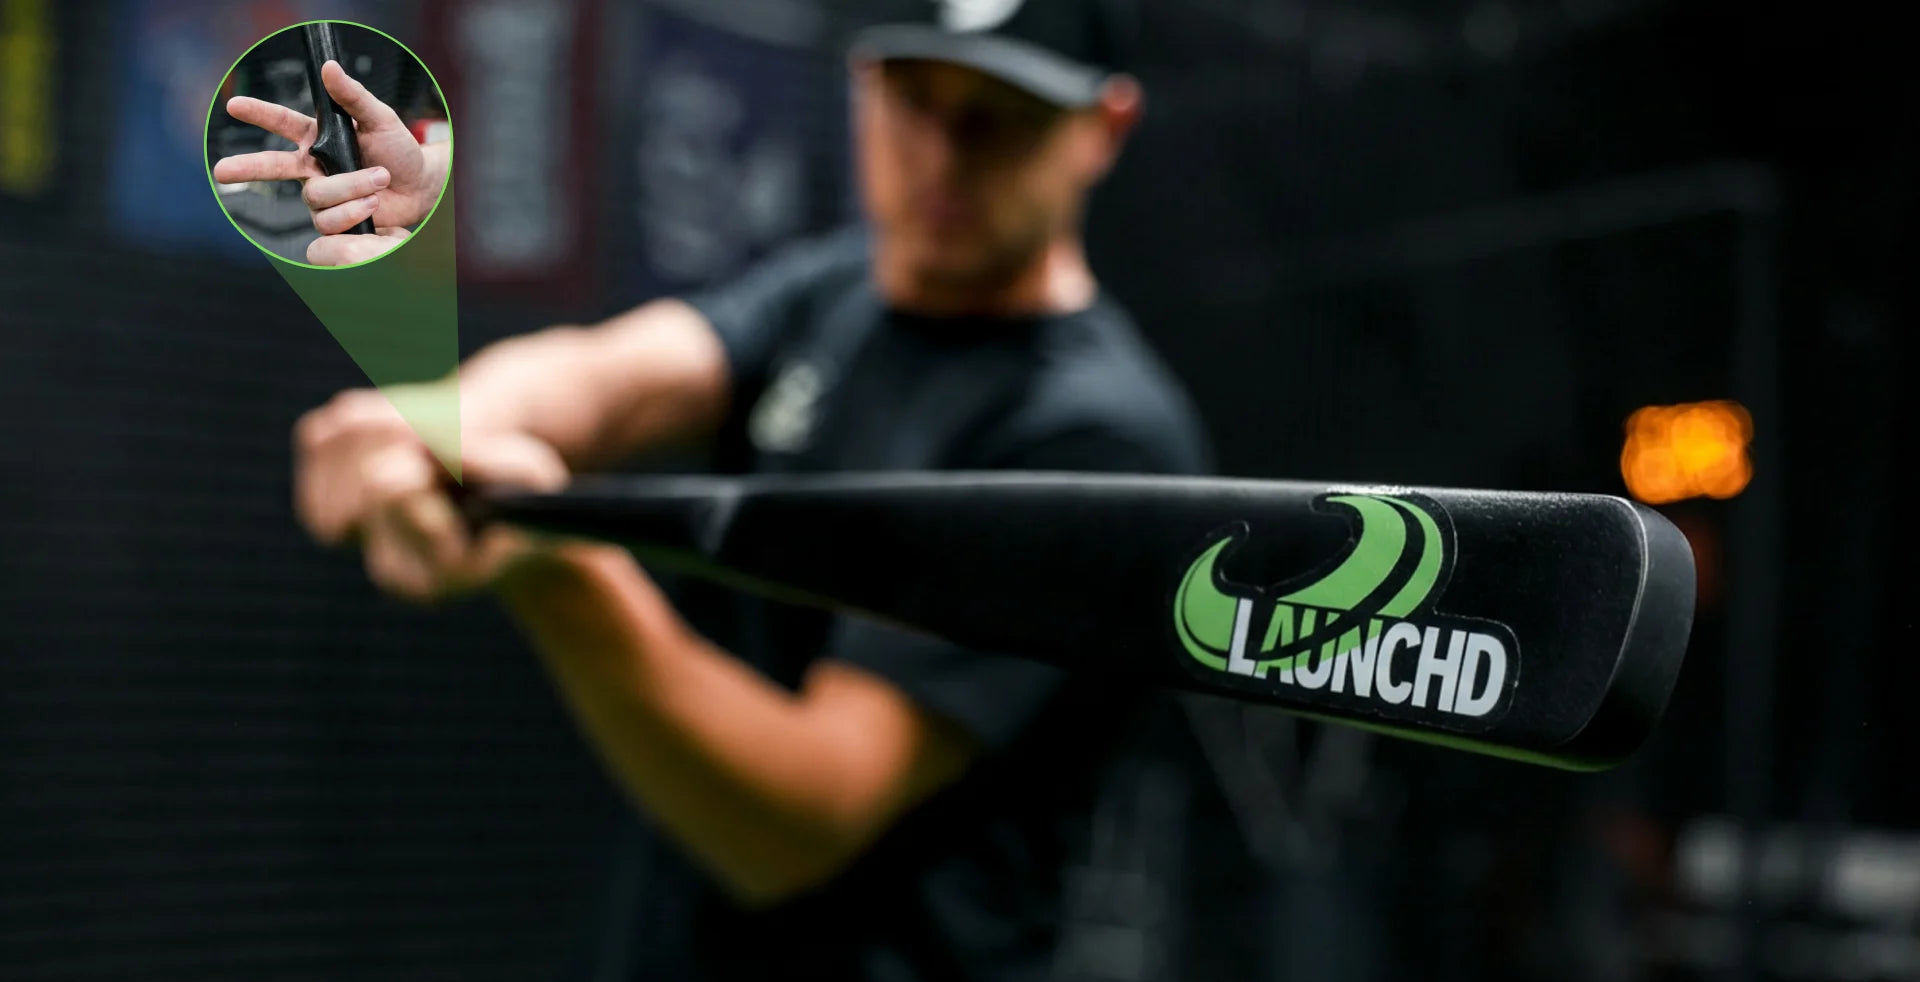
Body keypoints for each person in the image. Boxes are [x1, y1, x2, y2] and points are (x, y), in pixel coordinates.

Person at [279, 2, 1238, 979]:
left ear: (1103, 128)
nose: (943, 155)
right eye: (915, 100)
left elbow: (801, 820)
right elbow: (614, 377)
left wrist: (558, 569)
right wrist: (441, 425)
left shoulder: (1096, 435)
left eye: (998, 115)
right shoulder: (835, 294)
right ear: (864, 86)